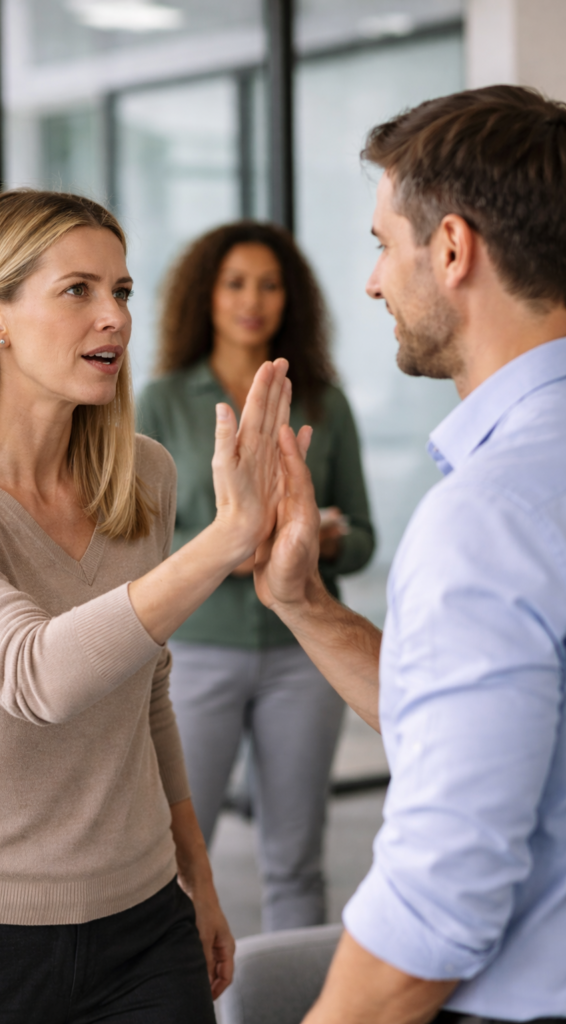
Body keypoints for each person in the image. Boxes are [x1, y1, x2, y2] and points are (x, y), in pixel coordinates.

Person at [0, 189, 293, 1024]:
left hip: (142, 926)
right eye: (78, 291)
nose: (113, 317)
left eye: (123, 291)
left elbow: (143, 692)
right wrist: (221, 542)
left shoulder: (141, 476)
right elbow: (37, 675)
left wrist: (199, 883)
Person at [253, 86, 566, 1023]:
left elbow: (441, 899)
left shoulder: (489, 513)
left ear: (453, 249)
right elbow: (485, 730)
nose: (373, 281)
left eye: (384, 243)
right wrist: (303, 598)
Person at [138, 221, 374, 931]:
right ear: (204, 296)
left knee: (296, 860)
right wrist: (221, 544)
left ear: (289, 299)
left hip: (302, 659)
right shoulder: (160, 401)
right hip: (197, 653)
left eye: (269, 284)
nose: (253, 299)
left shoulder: (324, 402)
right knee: (179, 857)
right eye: (235, 282)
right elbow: (132, 536)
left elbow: (363, 537)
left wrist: (323, 540)